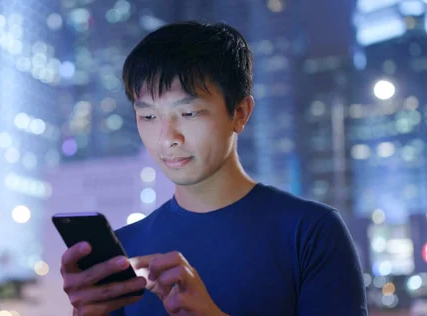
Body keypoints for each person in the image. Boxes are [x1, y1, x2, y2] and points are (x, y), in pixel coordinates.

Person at [59, 21, 368, 316]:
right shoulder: (124, 250)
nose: (168, 139)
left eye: (189, 112)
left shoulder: (311, 231)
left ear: (240, 113)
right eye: (149, 117)